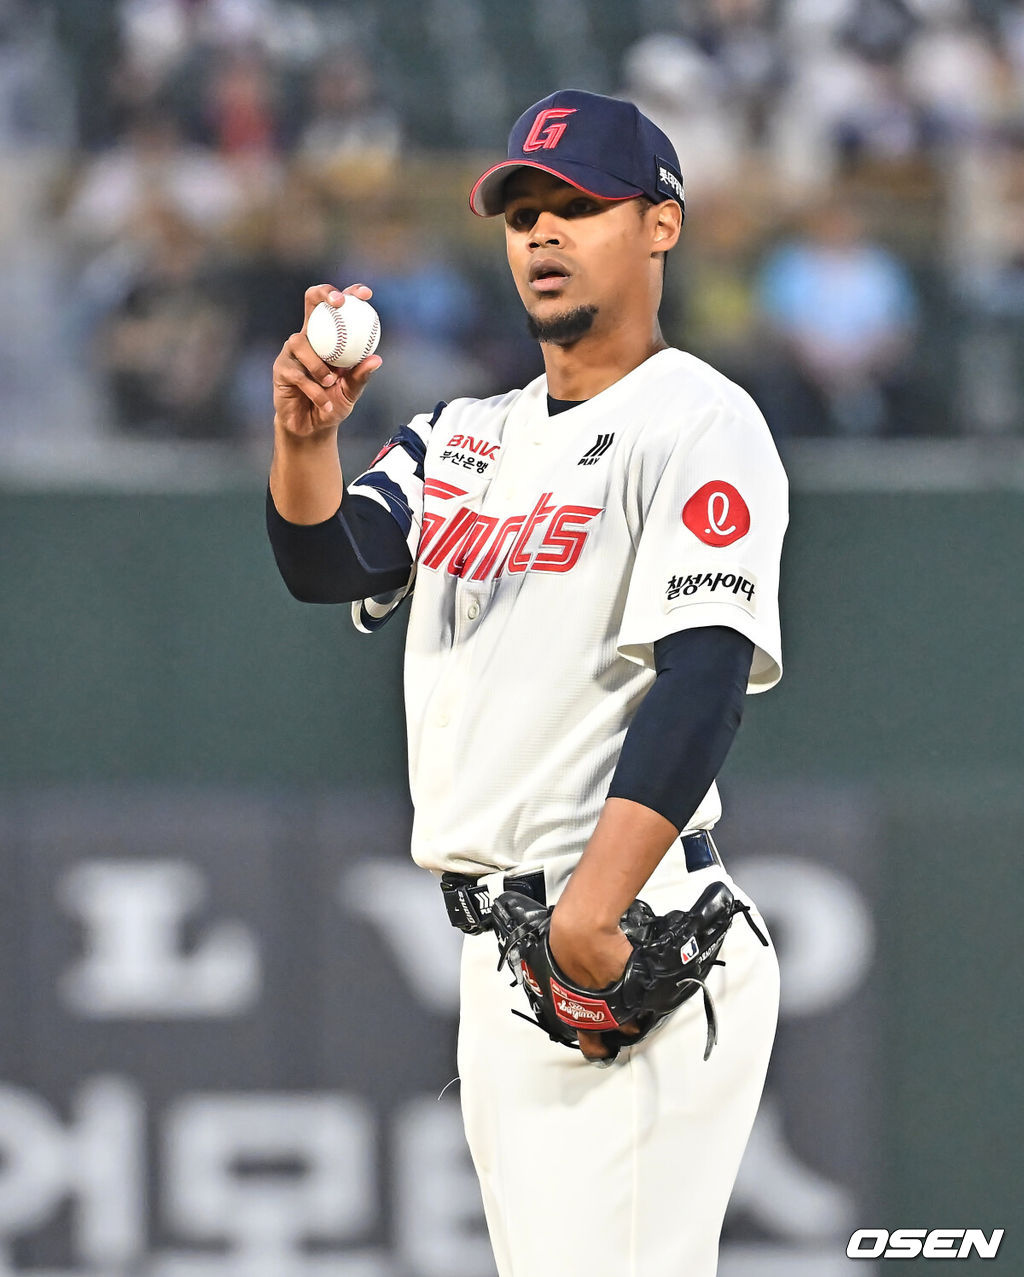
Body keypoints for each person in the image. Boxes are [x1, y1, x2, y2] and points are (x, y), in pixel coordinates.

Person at [266, 89, 787, 1277]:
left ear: (660, 225)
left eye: (579, 207)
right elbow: (326, 558)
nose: (541, 234)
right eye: (522, 214)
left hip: (625, 925)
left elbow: (701, 676)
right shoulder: (463, 433)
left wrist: (591, 913)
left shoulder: (700, 420)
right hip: (503, 944)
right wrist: (305, 440)